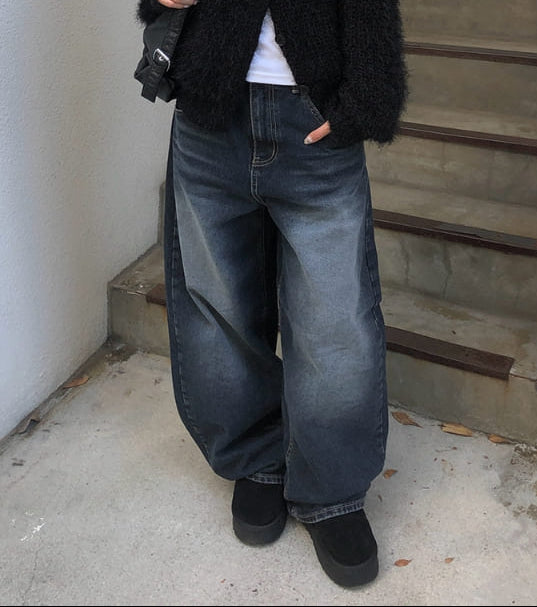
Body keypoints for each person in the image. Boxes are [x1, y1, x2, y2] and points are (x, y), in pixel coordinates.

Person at [136, 0, 407, 588]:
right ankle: (257, 458)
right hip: (210, 112)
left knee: (334, 320)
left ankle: (332, 489)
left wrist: (369, 95)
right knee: (218, 307)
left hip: (312, 119)